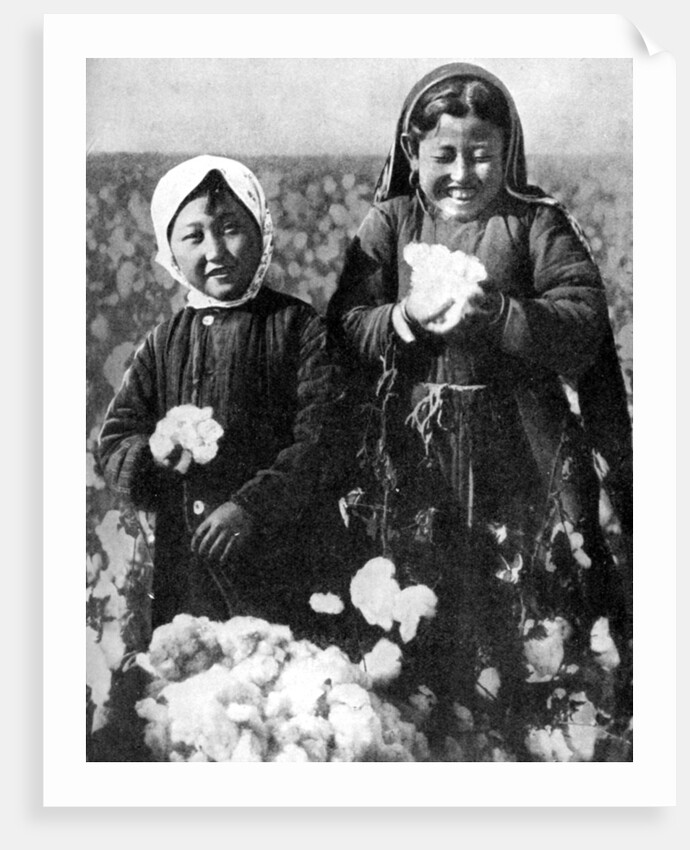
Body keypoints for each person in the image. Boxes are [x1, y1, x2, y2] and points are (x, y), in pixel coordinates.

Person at [327, 64, 632, 732]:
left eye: (481, 154)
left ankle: (533, 725)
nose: (462, 173)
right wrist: (402, 317)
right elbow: (343, 325)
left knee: (529, 597)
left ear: (508, 152)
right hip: (415, 447)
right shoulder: (391, 223)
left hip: (519, 447)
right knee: (421, 594)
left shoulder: (534, 224)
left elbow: (583, 317)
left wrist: (502, 314)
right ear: (412, 153)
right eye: (444, 155)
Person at [99, 155, 343, 633]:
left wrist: (252, 507)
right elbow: (116, 439)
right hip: (188, 571)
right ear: (169, 250)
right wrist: (152, 453)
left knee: (278, 666)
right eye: (193, 236)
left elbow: (322, 437)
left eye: (231, 229)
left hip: (281, 564)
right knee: (195, 665)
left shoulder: (298, 327)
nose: (216, 250)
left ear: (261, 232)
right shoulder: (163, 342)